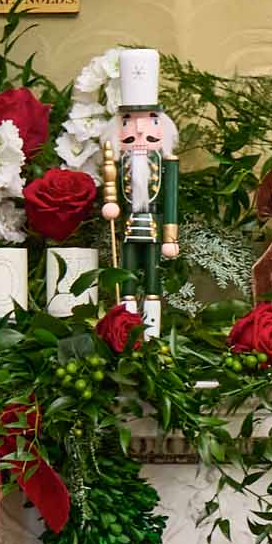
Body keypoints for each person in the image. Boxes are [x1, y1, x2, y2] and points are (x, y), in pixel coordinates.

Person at [102, 49, 179, 339]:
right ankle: (127, 329)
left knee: (154, 278)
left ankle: (152, 333)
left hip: (156, 228)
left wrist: (171, 238)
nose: (138, 129)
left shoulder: (166, 162)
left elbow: (170, 202)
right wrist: (111, 204)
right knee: (127, 276)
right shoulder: (119, 161)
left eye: (147, 119)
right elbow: (112, 190)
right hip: (130, 227)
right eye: (128, 121)